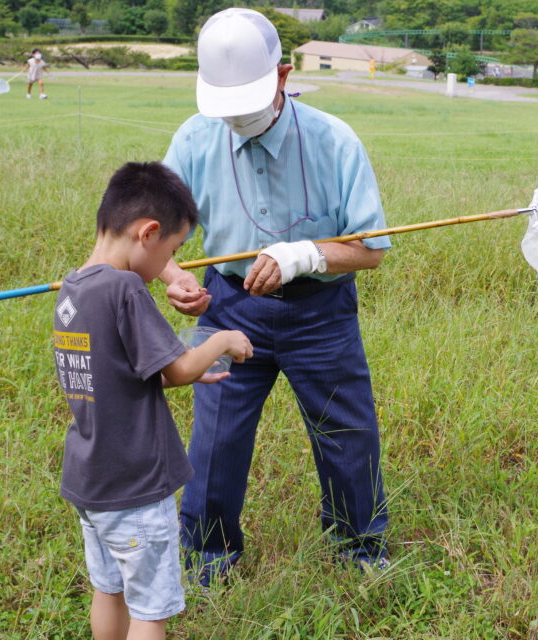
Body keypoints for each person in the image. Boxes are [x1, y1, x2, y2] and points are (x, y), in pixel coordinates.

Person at [160, 8, 391, 586]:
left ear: (283, 77)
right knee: (216, 439)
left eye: (248, 102)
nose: (236, 118)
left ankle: (359, 550)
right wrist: (174, 278)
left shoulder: (335, 141)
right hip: (228, 306)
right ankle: (208, 558)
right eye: (226, 106)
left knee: (346, 432)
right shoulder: (193, 138)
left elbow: (373, 248)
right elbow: (153, 235)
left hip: (321, 313)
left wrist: (308, 254)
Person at [53, 161, 253, 639]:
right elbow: (180, 367)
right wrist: (222, 341)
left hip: (91, 482)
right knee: (149, 608)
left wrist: (190, 369)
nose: (171, 261)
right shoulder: (125, 289)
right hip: (137, 486)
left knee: (110, 589)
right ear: (149, 233)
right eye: (174, 248)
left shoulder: (73, 289)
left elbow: (115, 374)